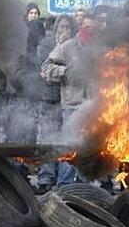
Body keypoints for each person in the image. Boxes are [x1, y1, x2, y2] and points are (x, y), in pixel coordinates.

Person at [41, 13, 100, 187]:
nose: (90, 31)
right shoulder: (67, 47)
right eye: (87, 27)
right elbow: (46, 68)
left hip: (94, 108)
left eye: (93, 28)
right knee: (69, 149)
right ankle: (64, 188)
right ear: (81, 28)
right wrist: (65, 72)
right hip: (72, 107)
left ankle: (84, 190)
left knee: (88, 150)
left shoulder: (99, 50)